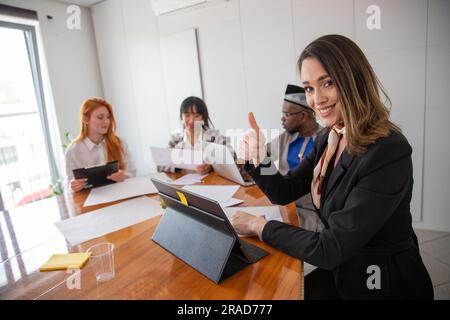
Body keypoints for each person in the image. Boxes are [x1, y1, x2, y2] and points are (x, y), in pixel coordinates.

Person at [232, 34, 433, 299]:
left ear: (354, 81)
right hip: (344, 267)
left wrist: (260, 227)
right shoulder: (330, 136)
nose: (317, 99)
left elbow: (330, 248)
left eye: (328, 83)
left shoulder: (388, 150)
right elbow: (285, 190)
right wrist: (260, 158)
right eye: (309, 88)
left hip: (382, 281)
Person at [266, 84, 324, 232]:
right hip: (284, 206)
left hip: (312, 212)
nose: (282, 119)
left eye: (286, 114)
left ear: (303, 116)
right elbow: (262, 154)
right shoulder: (285, 138)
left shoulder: (326, 140)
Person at [65, 98, 135, 192]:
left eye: (108, 117)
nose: (106, 121)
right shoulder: (73, 151)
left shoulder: (120, 143)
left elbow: (132, 172)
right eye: (100, 117)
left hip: (121, 195)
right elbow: (69, 185)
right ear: (85, 119)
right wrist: (73, 186)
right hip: (90, 201)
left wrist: (124, 175)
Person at [157, 96, 234, 175]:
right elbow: (160, 164)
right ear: (181, 116)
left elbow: (231, 156)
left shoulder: (214, 136)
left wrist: (211, 167)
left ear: (203, 117)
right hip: (184, 183)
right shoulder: (176, 138)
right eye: (187, 115)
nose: (191, 121)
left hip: (209, 182)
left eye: (196, 116)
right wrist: (180, 167)